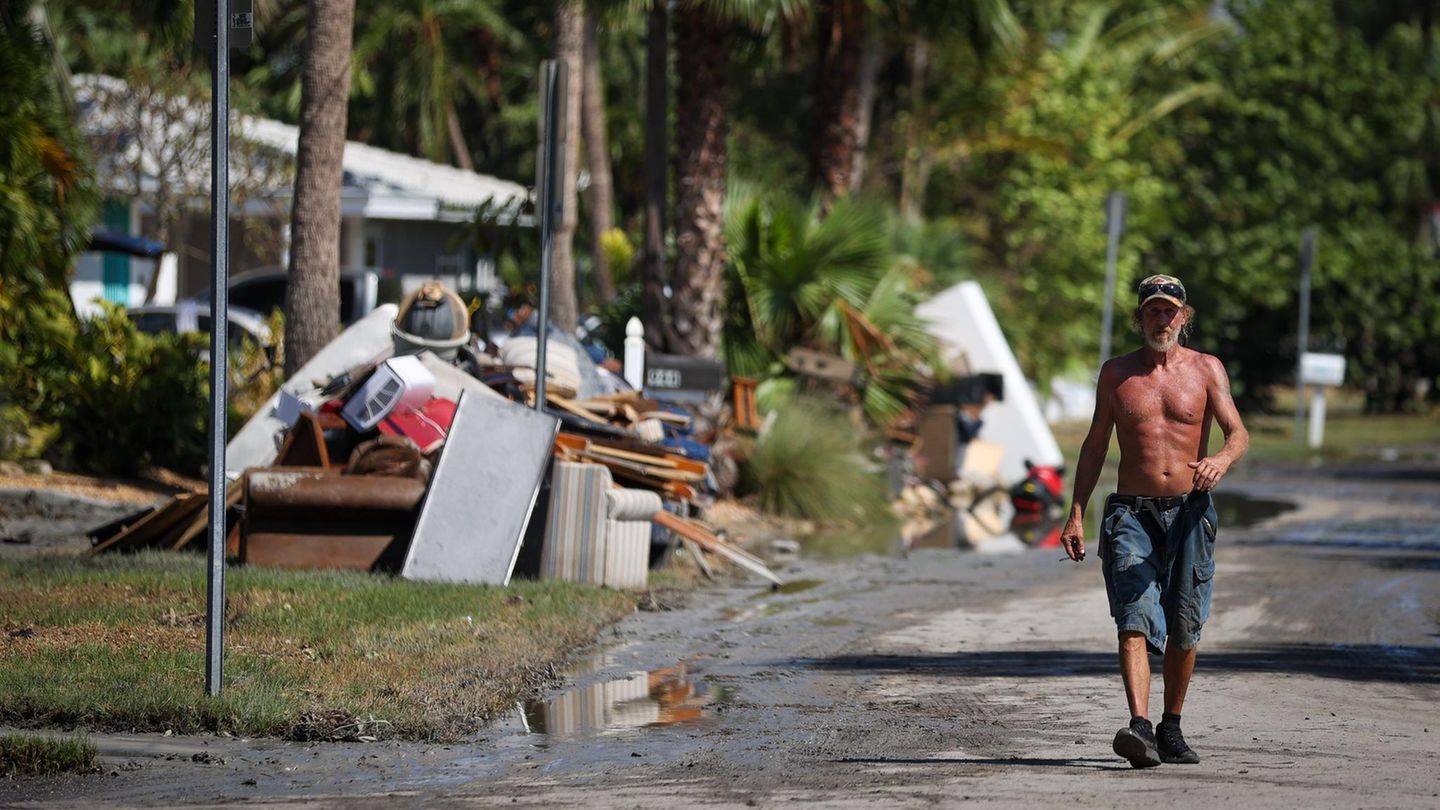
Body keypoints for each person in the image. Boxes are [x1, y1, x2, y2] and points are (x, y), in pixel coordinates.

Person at [1059, 274, 1249, 769]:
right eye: (1152, 311)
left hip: (1190, 511)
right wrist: (1077, 512)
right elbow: (1096, 444)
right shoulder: (1116, 374)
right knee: (1133, 618)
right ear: (1139, 318)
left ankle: (1171, 727)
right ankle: (1139, 728)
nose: (1161, 319)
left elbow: (1237, 433)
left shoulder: (1207, 370)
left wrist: (1221, 461)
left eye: (1170, 311)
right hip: (1130, 512)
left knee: (1185, 626)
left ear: (1184, 317)